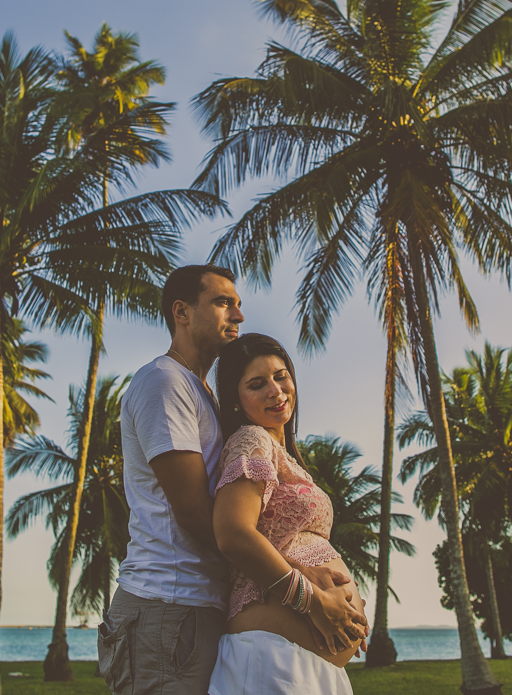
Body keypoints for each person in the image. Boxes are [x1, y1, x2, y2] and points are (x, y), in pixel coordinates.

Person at [97, 266, 363, 694]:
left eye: (238, 305)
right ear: (181, 312)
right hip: (168, 603)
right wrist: (304, 588)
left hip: (199, 608)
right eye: (223, 303)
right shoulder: (164, 382)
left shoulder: (203, 394)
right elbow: (201, 516)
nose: (237, 315)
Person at [208, 333, 369, 695]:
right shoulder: (252, 440)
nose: (276, 390)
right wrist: (312, 600)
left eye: (281, 376)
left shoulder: (283, 453)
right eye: (257, 384)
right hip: (273, 659)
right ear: (236, 400)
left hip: (298, 660)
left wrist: (345, 614)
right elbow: (232, 533)